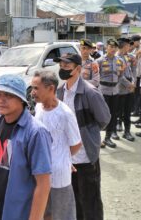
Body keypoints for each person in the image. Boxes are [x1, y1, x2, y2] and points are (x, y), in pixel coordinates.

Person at [0, 74, 52, 220]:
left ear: (21, 99)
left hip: (17, 213)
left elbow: (43, 183)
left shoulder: (36, 132)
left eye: (8, 95)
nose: (1, 100)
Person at [54, 52, 111, 220]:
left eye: (66, 65)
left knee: (90, 201)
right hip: (68, 158)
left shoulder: (90, 93)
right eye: (61, 65)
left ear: (78, 68)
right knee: (74, 200)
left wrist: (88, 134)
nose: (62, 68)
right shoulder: (60, 92)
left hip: (86, 156)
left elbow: (104, 119)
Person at [32, 71, 82, 220]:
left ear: (51, 89)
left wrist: (64, 158)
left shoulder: (65, 114)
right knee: (44, 213)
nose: (33, 92)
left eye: (36, 88)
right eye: (32, 88)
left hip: (59, 176)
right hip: (40, 173)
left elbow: (76, 144)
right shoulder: (39, 107)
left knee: (61, 215)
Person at [97, 39, 124, 148]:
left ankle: (108, 138)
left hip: (115, 91)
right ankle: (97, 139)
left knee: (113, 115)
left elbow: (121, 75)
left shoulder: (120, 61)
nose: (113, 49)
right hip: (103, 91)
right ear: (106, 47)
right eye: (111, 47)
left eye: (115, 47)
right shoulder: (99, 61)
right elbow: (96, 76)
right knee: (100, 115)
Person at [116, 38, 136, 141]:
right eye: (128, 45)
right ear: (124, 46)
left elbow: (130, 71)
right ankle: (117, 126)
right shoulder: (116, 58)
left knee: (128, 111)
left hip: (129, 87)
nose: (130, 47)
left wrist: (133, 82)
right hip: (121, 88)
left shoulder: (127, 57)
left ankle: (127, 132)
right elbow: (119, 76)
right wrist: (129, 84)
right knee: (119, 109)